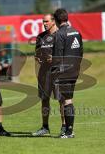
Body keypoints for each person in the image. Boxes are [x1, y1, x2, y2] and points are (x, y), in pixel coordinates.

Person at [32, 14, 66, 137]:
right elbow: (36, 54)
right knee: (44, 100)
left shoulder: (61, 35)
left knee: (62, 100)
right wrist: (39, 58)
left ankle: (64, 126)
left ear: (53, 21)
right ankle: (45, 127)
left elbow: (67, 54)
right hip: (43, 73)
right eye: (43, 21)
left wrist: (55, 59)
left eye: (46, 21)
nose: (44, 23)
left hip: (58, 72)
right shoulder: (40, 37)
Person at [52, 8, 83, 138]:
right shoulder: (76, 31)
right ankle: (68, 130)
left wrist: (54, 72)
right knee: (67, 99)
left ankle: (69, 131)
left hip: (64, 71)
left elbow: (57, 56)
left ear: (57, 21)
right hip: (75, 70)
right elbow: (81, 52)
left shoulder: (59, 34)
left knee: (67, 100)